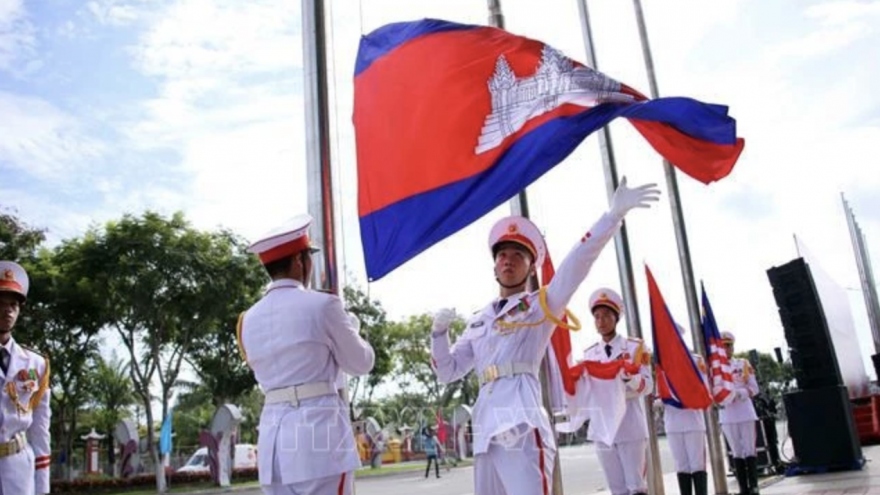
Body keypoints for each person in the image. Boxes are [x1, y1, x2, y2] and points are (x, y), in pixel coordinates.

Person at [431, 178, 660, 495]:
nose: (508, 260)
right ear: (494, 267)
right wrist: (438, 334)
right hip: (485, 428)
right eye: (501, 255)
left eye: (517, 255)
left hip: (521, 420)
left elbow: (576, 264)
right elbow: (447, 371)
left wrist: (611, 217)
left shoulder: (540, 304)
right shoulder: (478, 320)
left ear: (531, 266)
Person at [238, 215, 375, 495]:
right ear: (300, 261)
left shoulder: (247, 320)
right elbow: (361, 363)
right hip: (318, 441)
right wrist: (354, 330)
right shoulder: (323, 305)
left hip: (274, 446)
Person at [581, 288, 653, 495]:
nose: (601, 321)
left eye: (606, 316)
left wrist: (629, 380)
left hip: (629, 425)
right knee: (617, 488)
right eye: (597, 317)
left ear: (616, 318)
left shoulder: (634, 348)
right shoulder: (589, 354)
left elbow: (648, 385)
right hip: (603, 428)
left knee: (636, 486)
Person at [0, 261, 51, 495]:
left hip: (18, 468)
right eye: (0, 304)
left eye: (13, 304)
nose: (7, 311)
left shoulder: (36, 364)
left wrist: (42, 487)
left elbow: (40, 431)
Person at [661, 324, 710, 495]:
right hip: (673, 422)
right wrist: (661, 400)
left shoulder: (695, 360)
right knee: (681, 465)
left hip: (692, 420)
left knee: (697, 464)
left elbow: (704, 389)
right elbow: (659, 390)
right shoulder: (662, 363)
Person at [719, 331, 760, 495]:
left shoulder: (742, 364)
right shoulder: (715, 368)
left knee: (749, 449)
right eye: (723, 346)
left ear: (733, 347)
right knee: (736, 451)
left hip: (744, 411)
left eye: (728, 345)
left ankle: (754, 486)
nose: (726, 349)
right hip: (727, 414)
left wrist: (739, 393)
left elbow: (754, 388)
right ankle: (743, 488)